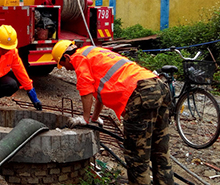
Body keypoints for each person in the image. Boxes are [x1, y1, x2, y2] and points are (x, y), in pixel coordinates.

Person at [51, 40, 173, 185]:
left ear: (66, 57)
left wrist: (84, 119)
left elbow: (85, 91)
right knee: (160, 152)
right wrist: (94, 117)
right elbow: (100, 95)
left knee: (137, 157)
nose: (66, 69)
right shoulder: (92, 52)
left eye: (63, 65)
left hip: (139, 94)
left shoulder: (79, 59)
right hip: (158, 86)